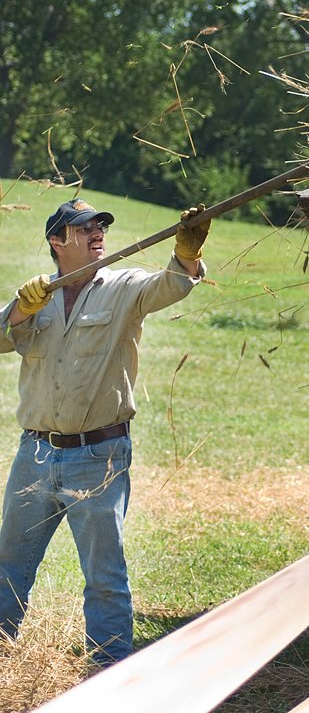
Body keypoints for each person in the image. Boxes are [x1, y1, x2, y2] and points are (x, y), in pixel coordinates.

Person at [0, 197, 210, 666]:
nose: (98, 233)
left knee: (104, 575)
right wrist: (18, 311)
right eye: (84, 228)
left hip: (98, 455)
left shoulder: (124, 287)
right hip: (34, 452)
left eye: (101, 226)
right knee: (9, 568)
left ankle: (110, 671)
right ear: (57, 240)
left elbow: (172, 285)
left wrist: (189, 252)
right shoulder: (38, 295)